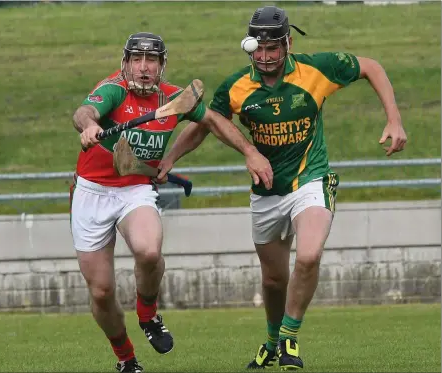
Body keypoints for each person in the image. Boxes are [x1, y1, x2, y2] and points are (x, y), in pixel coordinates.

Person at [156, 6, 407, 371]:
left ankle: (289, 336)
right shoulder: (237, 86)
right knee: (274, 280)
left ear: (288, 43)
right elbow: (206, 124)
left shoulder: (316, 70)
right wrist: (170, 160)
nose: (264, 56)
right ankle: (272, 341)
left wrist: (394, 118)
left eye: (272, 48)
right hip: (266, 192)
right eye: (257, 48)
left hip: (311, 179)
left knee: (308, 255)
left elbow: (371, 67)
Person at [71, 32, 273, 373]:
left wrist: (250, 151)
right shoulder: (114, 89)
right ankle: (126, 359)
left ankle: (148, 314)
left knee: (149, 251)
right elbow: (84, 111)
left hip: (136, 187)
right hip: (92, 191)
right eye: (137, 59)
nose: (144, 67)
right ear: (126, 63)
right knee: (102, 292)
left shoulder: (172, 98)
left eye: (151, 60)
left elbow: (212, 123)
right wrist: (89, 126)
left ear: (162, 65)